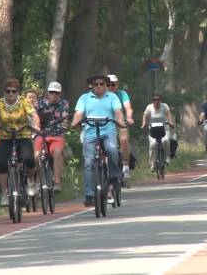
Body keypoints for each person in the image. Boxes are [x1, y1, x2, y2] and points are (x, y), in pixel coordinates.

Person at [0, 78, 41, 206]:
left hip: (23, 135)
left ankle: (31, 182)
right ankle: (4, 193)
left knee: (29, 159)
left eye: (13, 91)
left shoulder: (23, 102)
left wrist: (36, 126)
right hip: (5, 137)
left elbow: (34, 115)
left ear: (17, 92)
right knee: (2, 164)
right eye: (7, 91)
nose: (10, 94)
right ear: (4, 92)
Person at [71, 75, 125, 207]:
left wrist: (120, 121)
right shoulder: (84, 98)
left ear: (106, 85)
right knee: (89, 162)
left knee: (112, 149)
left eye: (102, 84)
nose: (99, 86)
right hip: (90, 133)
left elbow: (118, 112)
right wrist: (75, 122)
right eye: (96, 84)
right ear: (91, 86)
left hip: (108, 131)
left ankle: (114, 176)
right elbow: (78, 113)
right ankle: (89, 194)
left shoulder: (112, 97)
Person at [34, 81, 69, 192]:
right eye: (51, 92)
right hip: (41, 134)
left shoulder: (63, 103)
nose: (53, 94)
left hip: (57, 134)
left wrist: (65, 122)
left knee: (58, 152)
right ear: (47, 93)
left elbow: (65, 115)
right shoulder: (40, 103)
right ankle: (39, 181)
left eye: (56, 92)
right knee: (36, 155)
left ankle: (57, 182)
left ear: (60, 93)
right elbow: (33, 115)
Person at [107, 74, 134, 186]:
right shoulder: (101, 95)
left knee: (123, 140)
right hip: (105, 124)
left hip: (119, 122)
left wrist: (129, 118)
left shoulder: (122, 94)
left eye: (113, 84)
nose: (111, 86)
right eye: (108, 84)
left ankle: (126, 166)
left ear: (117, 84)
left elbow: (128, 108)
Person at [141, 92, 174, 171]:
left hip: (164, 129)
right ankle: (152, 164)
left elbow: (169, 114)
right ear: (152, 100)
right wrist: (144, 124)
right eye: (154, 99)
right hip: (153, 130)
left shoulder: (164, 106)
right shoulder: (149, 107)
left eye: (158, 99)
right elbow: (145, 116)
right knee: (152, 145)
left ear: (161, 100)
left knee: (165, 140)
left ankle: (167, 156)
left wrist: (170, 122)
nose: (156, 101)